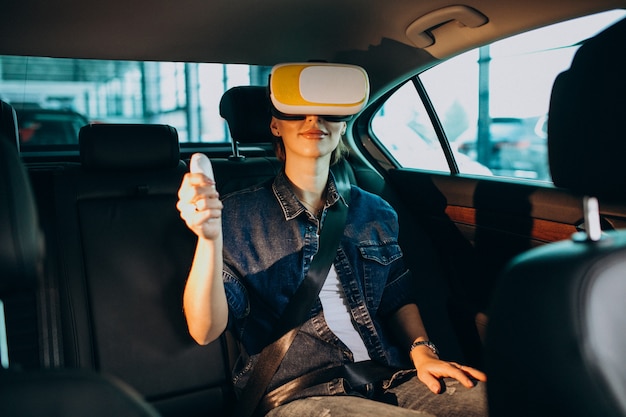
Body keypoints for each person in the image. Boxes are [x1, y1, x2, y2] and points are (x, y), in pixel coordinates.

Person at [177, 75, 487, 417]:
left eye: (328, 111)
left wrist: (423, 352)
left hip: (391, 378)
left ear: (342, 124)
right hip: (299, 395)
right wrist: (208, 238)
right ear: (275, 125)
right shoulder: (235, 214)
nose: (314, 119)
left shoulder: (375, 211)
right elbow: (204, 330)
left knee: (509, 400)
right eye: (297, 111)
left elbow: (397, 296)